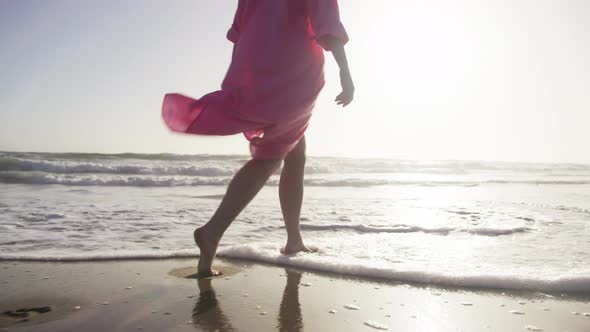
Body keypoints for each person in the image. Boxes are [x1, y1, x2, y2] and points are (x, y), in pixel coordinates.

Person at [162, 0, 354, 277]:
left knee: (295, 152)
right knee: (272, 155)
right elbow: (328, 24)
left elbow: (239, 34)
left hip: (260, 75)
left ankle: (293, 240)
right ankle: (212, 231)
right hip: (295, 75)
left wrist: (241, 83)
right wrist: (345, 73)